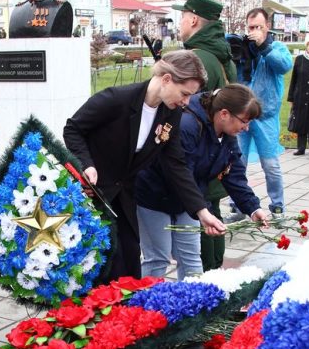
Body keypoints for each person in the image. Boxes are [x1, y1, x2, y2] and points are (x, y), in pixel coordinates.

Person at [64, 50, 227, 280]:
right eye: (184, 93)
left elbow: (175, 164)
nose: (186, 102)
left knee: (129, 261)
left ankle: (123, 313)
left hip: (126, 195)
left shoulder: (170, 114)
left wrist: (202, 212)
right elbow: (73, 129)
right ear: (167, 79)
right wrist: (86, 165)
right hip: (95, 192)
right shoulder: (116, 99)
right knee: (96, 263)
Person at [136, 85, 268, 279]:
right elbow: (180, 176)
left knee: (191, 258)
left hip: (189, 201)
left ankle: (191, 305)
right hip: (153, 196)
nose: (246, 128)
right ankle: (140, 305)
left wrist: (253, 208)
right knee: (158, 258)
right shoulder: (188, 126)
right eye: (244, 121)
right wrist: (202, 210)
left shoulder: (226, 134)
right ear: (224, 114)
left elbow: (233, 173)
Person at [173, 0, 237, 270]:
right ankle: (215, 274)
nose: (180, 23)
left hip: (195, 150)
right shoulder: (222, 55)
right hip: (217, 149)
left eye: (183, 17)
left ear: (194, 19)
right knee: (213, 211)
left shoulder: (192, 58)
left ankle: (205, 281)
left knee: (201, 219)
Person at [235, 8, 293, 216]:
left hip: (265, 116)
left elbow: (284, 66)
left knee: (270, 164)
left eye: (259, 27)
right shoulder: (244, 47)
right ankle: (240, 206)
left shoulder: (276, 47)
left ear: (267, 27)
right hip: (240, 116)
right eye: (251, 27)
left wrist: (263, 47)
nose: (255, 31)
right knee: (237, 163)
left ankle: (277, 206)